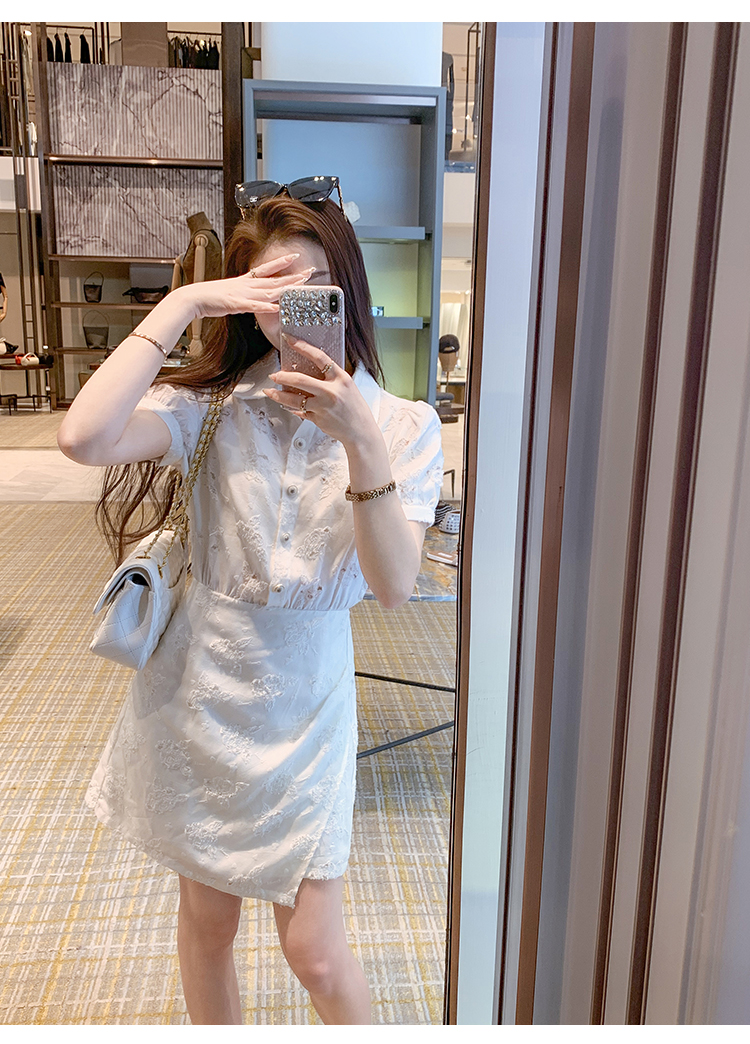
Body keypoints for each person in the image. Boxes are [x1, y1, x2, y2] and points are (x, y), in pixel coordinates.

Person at [57, 184, 444, 1025]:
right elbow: (82, 437)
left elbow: (391, 586)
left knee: (315, 951)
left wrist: (358, 437)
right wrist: (187, 301)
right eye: (270, 293)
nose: (292, 314)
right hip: (199, 691)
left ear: (347, 292)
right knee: (208, 924)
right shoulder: (210, 408)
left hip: (308, 708)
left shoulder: (403, 425)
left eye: (313, 292)